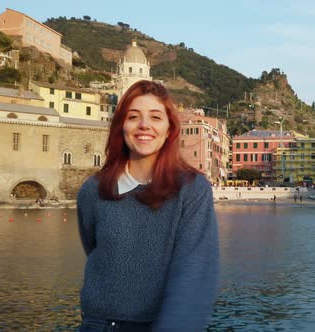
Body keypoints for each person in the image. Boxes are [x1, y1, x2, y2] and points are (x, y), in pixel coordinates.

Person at [76, 81, 219, 331]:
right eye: (133, 117)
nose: (144, 125)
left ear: (168, 129)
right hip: (97, 325)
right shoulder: (93, 190)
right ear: (121, 126)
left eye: (155, 117)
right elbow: (96, 250)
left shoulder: (192, 190)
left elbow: (194, 274)